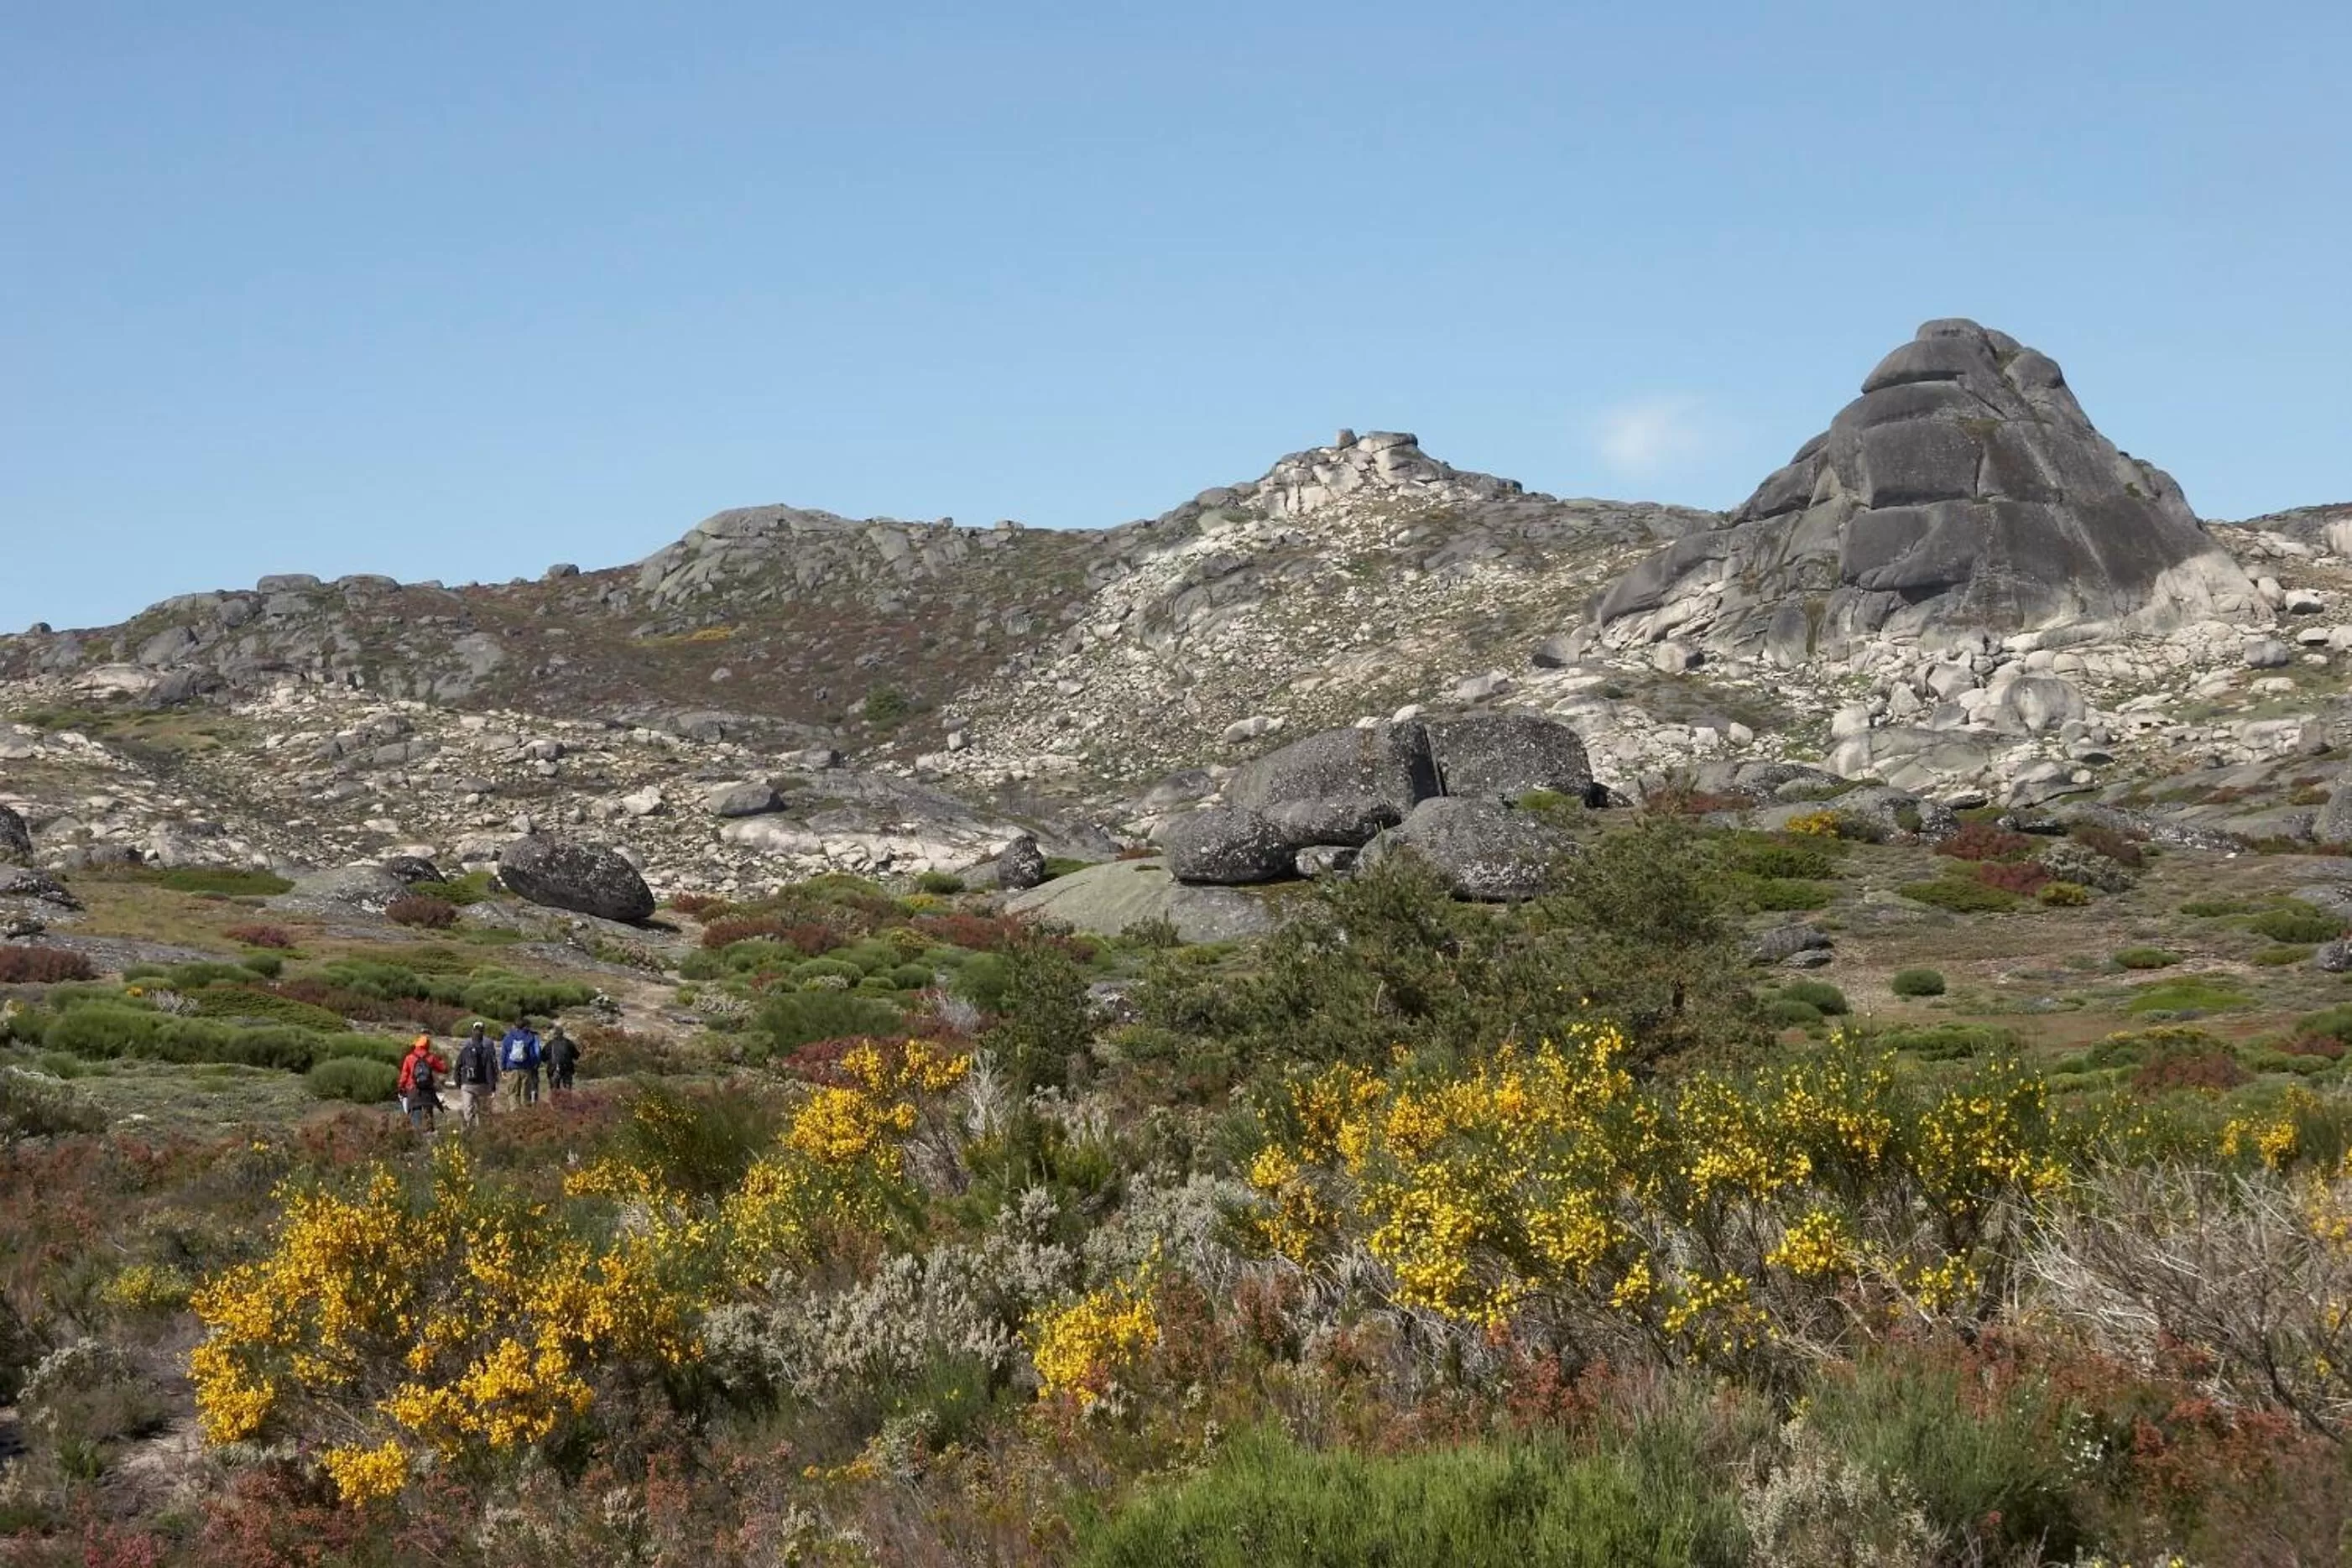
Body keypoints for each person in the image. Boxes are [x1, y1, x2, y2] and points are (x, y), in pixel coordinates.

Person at [397, 1034, 448, 1134]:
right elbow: (444, 1069)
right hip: (428, 1091)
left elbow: (404, 1075)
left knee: (415, 1115)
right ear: (427, 1045)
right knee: (428, 1116)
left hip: (413, 1090)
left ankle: (418, 1135)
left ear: (416, 1045)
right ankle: (429, 1134)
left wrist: (401, 1086)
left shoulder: (409, 1058)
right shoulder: (431, 1057)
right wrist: (441, 1061)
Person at [454, 1022, 498, 1128]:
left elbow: (457, 1067)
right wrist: (492, 1087)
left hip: (467, 1084)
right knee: (483, 1111)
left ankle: (467, 1130)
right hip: (483, 1086)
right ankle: (482, 1131)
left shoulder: (465, 1051)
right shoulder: (486, 1052)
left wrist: (458, 1083)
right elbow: (489, 1071)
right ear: (482, 1039)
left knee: (467, 1110)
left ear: (471, 1038)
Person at [499, 1018, 542, 1109]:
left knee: (512, 1093)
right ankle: (525, 1113)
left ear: (514, 1026)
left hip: (512, 1069)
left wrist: (503, 1068)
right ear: (525, 1026)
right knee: (525, 1093)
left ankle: (514, 1112)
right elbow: (534, 1054)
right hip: (526, 1069)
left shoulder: (508, 1037)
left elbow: (503, 1054)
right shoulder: (530, 1037)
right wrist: (534, 1065)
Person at [545, 1024, 581, 1095]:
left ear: (554, 1034)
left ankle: (555, 1101)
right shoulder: (569, 1043)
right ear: (562, 1033)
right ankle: (567, 1100)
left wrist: (548, 1062)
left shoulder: (550, 1044)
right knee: (567, 1090)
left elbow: (543, 1056)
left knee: (554, 1090)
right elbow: (576, 1055)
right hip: (567, 1068)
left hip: (553, 1068)